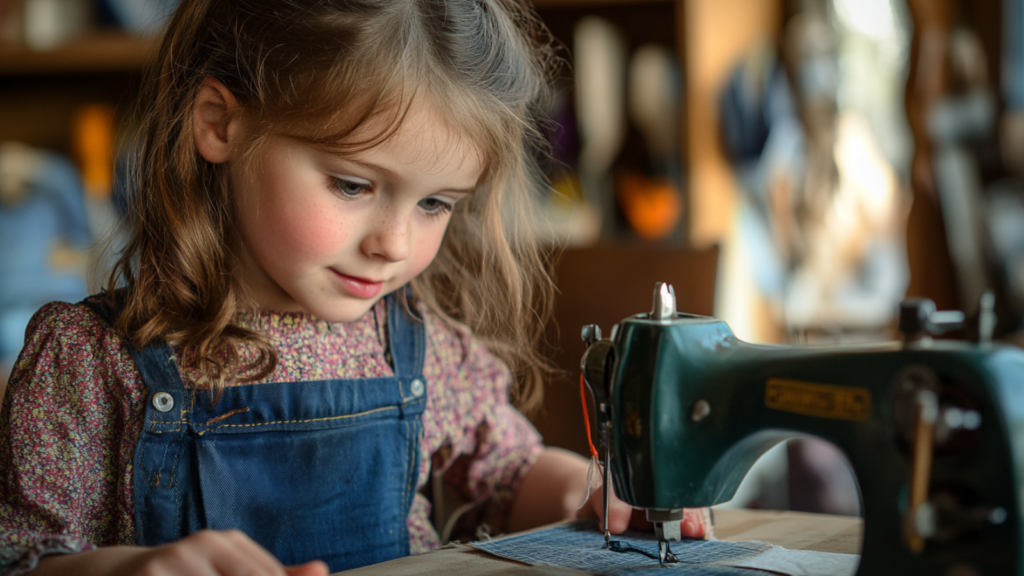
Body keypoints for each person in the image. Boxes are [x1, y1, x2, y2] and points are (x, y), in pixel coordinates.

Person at [0, 1, 708, 574]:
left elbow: (510, 474)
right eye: (352, 184)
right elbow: (23, 555)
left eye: (436, 203)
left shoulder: (420, 350)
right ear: (220, 123)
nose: (394, 244)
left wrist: (597, 493)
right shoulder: (89, 362)